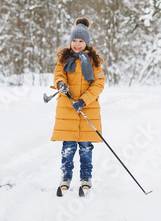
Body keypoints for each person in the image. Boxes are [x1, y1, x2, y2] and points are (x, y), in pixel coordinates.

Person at [51, 17, 106, 194]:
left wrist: (83, 100)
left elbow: (98, 84)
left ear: (87, 42)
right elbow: (59, 75)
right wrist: (61, 84)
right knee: (68, 147)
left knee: (85, 148)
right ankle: (66, 176)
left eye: (81, 41)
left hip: (87, 110)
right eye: (74, 40)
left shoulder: (93, 62)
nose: (77, 44)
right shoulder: (64, 59)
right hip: (67, 109)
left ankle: (85, 178)